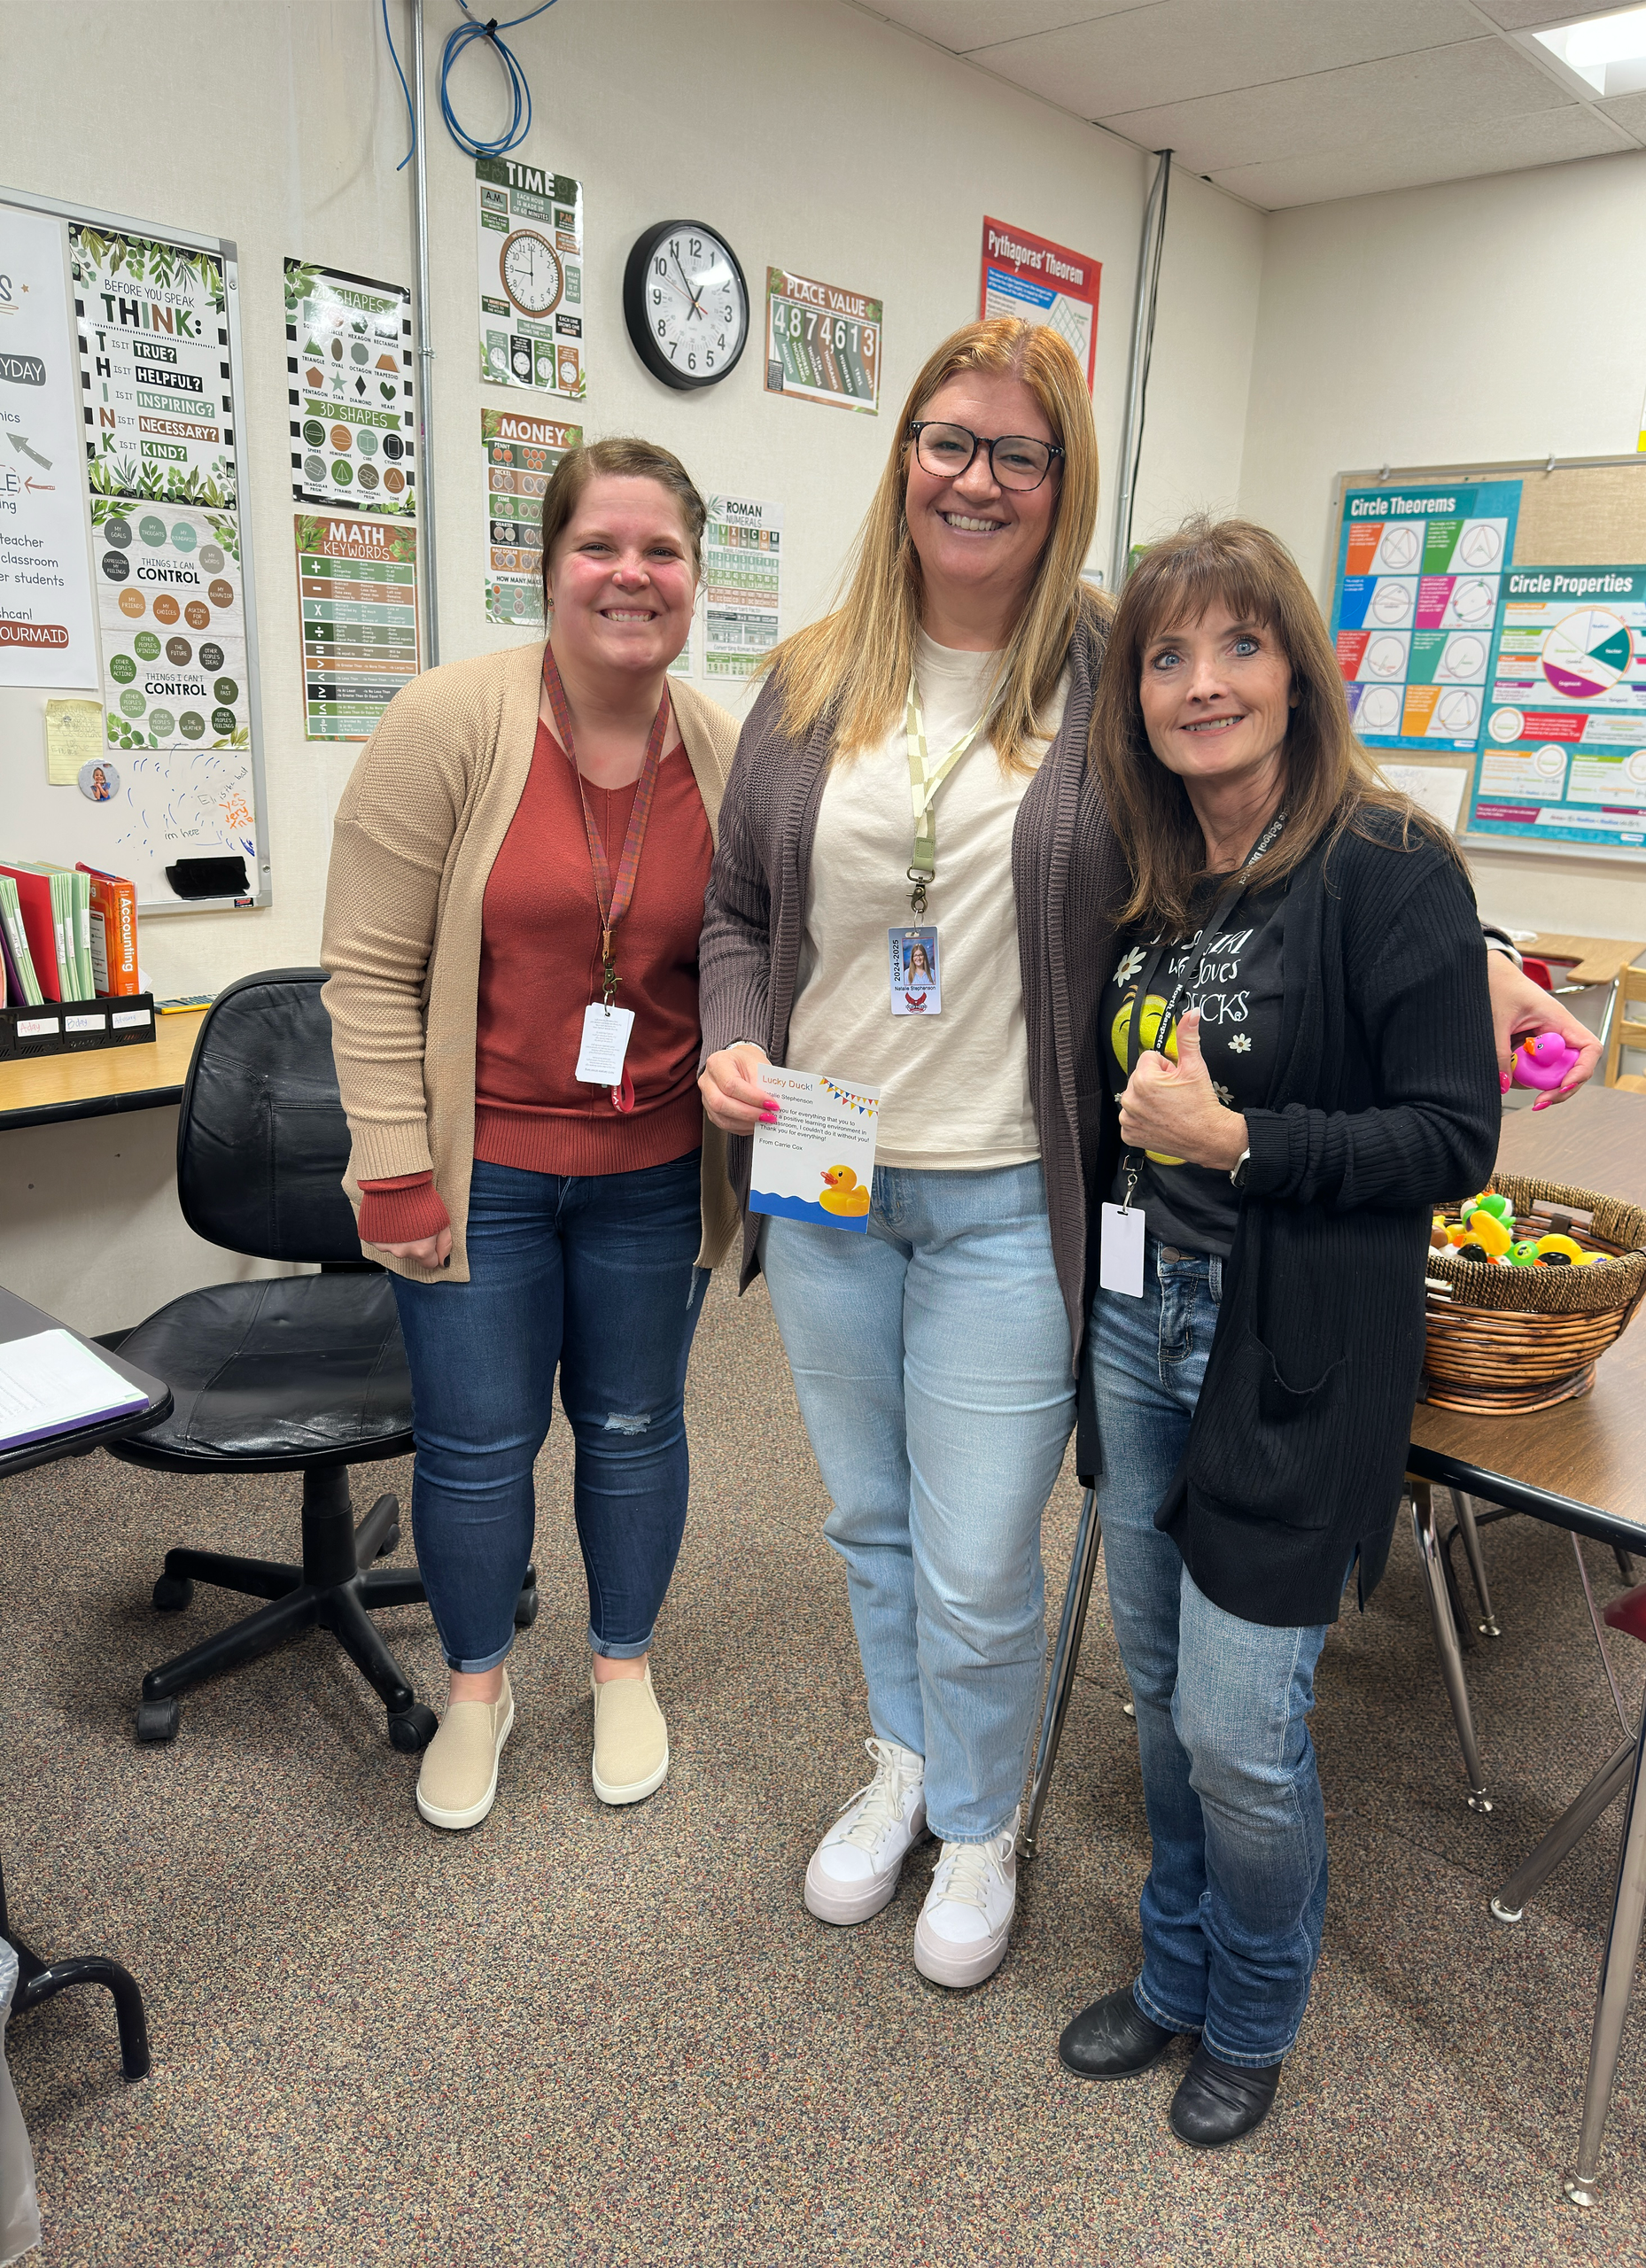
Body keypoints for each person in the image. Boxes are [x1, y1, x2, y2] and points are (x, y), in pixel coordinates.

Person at [1056, 517, 1502, 2146]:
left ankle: (1251, 2005)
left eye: (1239, 645)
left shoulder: (1389, 865)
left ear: (1298, 670)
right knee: (1163, 1688)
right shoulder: (1154, 882)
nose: (1203, 683)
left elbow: (1453, 1143)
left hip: (1293, 1347)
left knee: (1244, 1728)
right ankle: (1175, 1971)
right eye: (1168, 655)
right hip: (1138, 1325)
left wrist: (1245, 1142)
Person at [698, 317, 1126, 1988]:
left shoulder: (1109, 674)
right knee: (872, 1520)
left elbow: (1273, 798)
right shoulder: (811, 679)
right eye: (951, 440)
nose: (978, 476)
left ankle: (981, 1816)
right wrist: (738, 1030)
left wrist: (1454, 936)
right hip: (826, 1165)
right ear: (904, 459)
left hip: (1012, 1185)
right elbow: (742, 911)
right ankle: (905, 1765)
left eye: (1020, 453)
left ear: (1061, 483)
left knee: (975, 1548)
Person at [322, 437, 741, 1830]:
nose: (632, 574)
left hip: (655, 1176)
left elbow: (755, 965)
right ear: (546, 568)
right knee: (478, 1444)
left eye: (661, 551)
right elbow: (370, 968)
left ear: (697, 575)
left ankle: (623, 1665)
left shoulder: (730, 757)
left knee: (632, 1427)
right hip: (479, 1170)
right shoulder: (451, 720)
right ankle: (478, 1688)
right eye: (599, 548)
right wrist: (392, 1167)